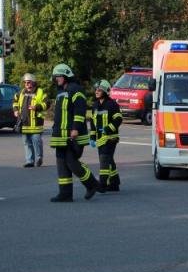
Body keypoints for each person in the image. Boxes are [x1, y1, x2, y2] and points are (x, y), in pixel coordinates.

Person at [49, 64, 101, 202]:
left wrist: (75, 128)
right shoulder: (60, 92)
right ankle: (65, 193)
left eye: (58, 76)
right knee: (61, 163)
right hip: (60, 135)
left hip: (73, 135)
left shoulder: (76, 90)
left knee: (71, 162)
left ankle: (92, 184)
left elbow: (80, 111)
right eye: (55, 77)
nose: (56, 79)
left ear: (66, 76)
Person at [89, 79, 123, 192]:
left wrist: (107, 129)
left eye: (99, 90)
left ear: (105, 91)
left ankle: (102, 184)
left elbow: (118, 119)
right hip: (100, 139)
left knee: (104, 160)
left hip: (110, 138)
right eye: (96, 90)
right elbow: (93, 123)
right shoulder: (95, 105)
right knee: (109, 160)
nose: (96, 91)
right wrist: (92, 137)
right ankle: (114, 183)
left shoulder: (112, 105)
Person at [13, 73, 48, 168]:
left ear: (33, 82)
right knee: (27, 143)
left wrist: (36, 107)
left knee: (36, 141)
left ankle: (39, 158)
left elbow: (46, 104)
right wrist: (15, 111)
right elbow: (15, 102)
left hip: (36, 123)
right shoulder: (21, 92)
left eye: (28, 82)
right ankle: (29, 161)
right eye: (25, 83)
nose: (27, 84)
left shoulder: (40, 92)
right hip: (24, 122)